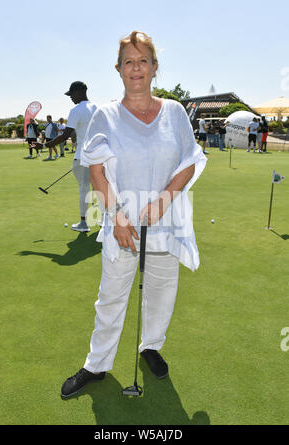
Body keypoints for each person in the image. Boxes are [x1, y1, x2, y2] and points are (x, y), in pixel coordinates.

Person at [60, 30, 207, 399]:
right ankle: (97, 364)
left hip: (165, 220)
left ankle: (150, 346)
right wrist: (119, 218)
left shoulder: (174, 112)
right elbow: (96, 171)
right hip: (121, 223)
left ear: (154, 68)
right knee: (111, 295)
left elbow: (190, 161)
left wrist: (162, 201)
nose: (136, 68)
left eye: (143, 61)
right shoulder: (105, 115)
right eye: (129, 61)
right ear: (119, 69)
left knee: (161, 291)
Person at [32, 81, 97, 232]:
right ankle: (103, 223)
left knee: (84, 188)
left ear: (80, 91)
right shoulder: (97, 108)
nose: (71, 97)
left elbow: (66, 135)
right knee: (98, 189)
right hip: (98, 156)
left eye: (72, 94)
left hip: (82, 155)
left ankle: (84, 223)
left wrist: (44, 145)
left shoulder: (76, 110)